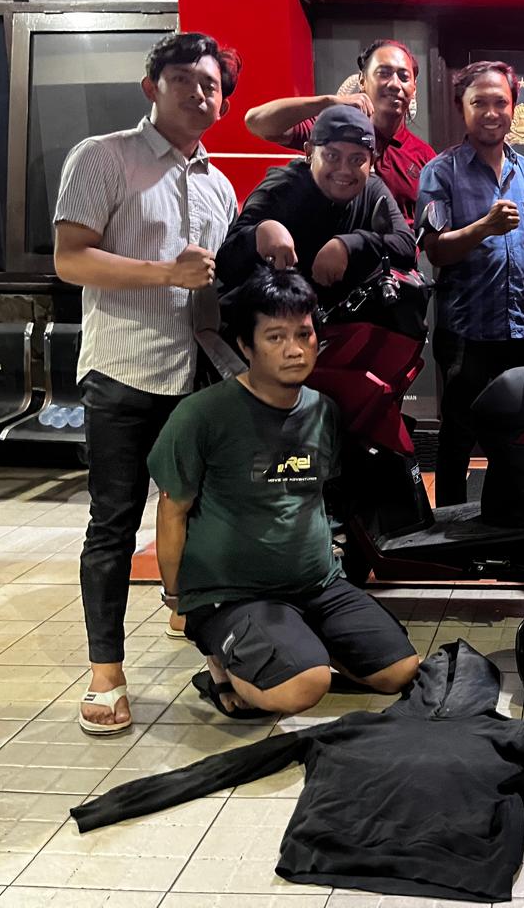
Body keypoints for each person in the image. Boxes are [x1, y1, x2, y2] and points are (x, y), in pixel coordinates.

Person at [53, 32, 240, 735]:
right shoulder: (103, 157)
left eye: (211, 84)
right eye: (184, 78)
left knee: (198, 515)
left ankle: (196, 624)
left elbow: (214, 283)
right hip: (124, 372)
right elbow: (71, 259)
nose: (199, 92)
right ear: (151, 87)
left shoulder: (218, 184)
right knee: (113, 523)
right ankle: (105, 672)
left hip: (196, 374)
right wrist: (166, 273)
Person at [149, 268, 421, 718]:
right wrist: (179, 600)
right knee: (302, 689)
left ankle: (295, 644)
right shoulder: (202, 415)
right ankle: (221, 665)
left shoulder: (322, 410)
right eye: (275, 337)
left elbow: (316, 497)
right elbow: (173, 510)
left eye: (304, 334)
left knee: (399, 671)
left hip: (317, 585)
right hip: (233, 593)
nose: (294, 349)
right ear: (245, 346)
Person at [415, 60, 524, 507]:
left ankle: (502, 519)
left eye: (500, 102)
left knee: (513, 434)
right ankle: (450, 526)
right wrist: (483, 228)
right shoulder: (441, 171)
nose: (491, 113)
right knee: (458, 436)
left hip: (519, 330)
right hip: (466, 334)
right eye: (480, 103)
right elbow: (435, 251)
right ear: (462, 107)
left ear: (514, 107)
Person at [216, 104, 415, 300]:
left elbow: (406, 244)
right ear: (309, 153)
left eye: (357, 160)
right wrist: (259, 234)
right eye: (332, 156)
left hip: (338, 315)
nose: (344, 170)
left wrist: (350, 246)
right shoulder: (280, 189)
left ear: (372, 161)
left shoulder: (371, 188)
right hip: (273, 314)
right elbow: (225, 265)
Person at [244, 39, 435, 227]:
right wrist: (327, 102)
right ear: (362, 80)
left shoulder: (426, 158)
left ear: (414, 88)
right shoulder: (332, 131)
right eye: (384, 73)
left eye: (404, 77)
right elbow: (257, 122)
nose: (394, 84)